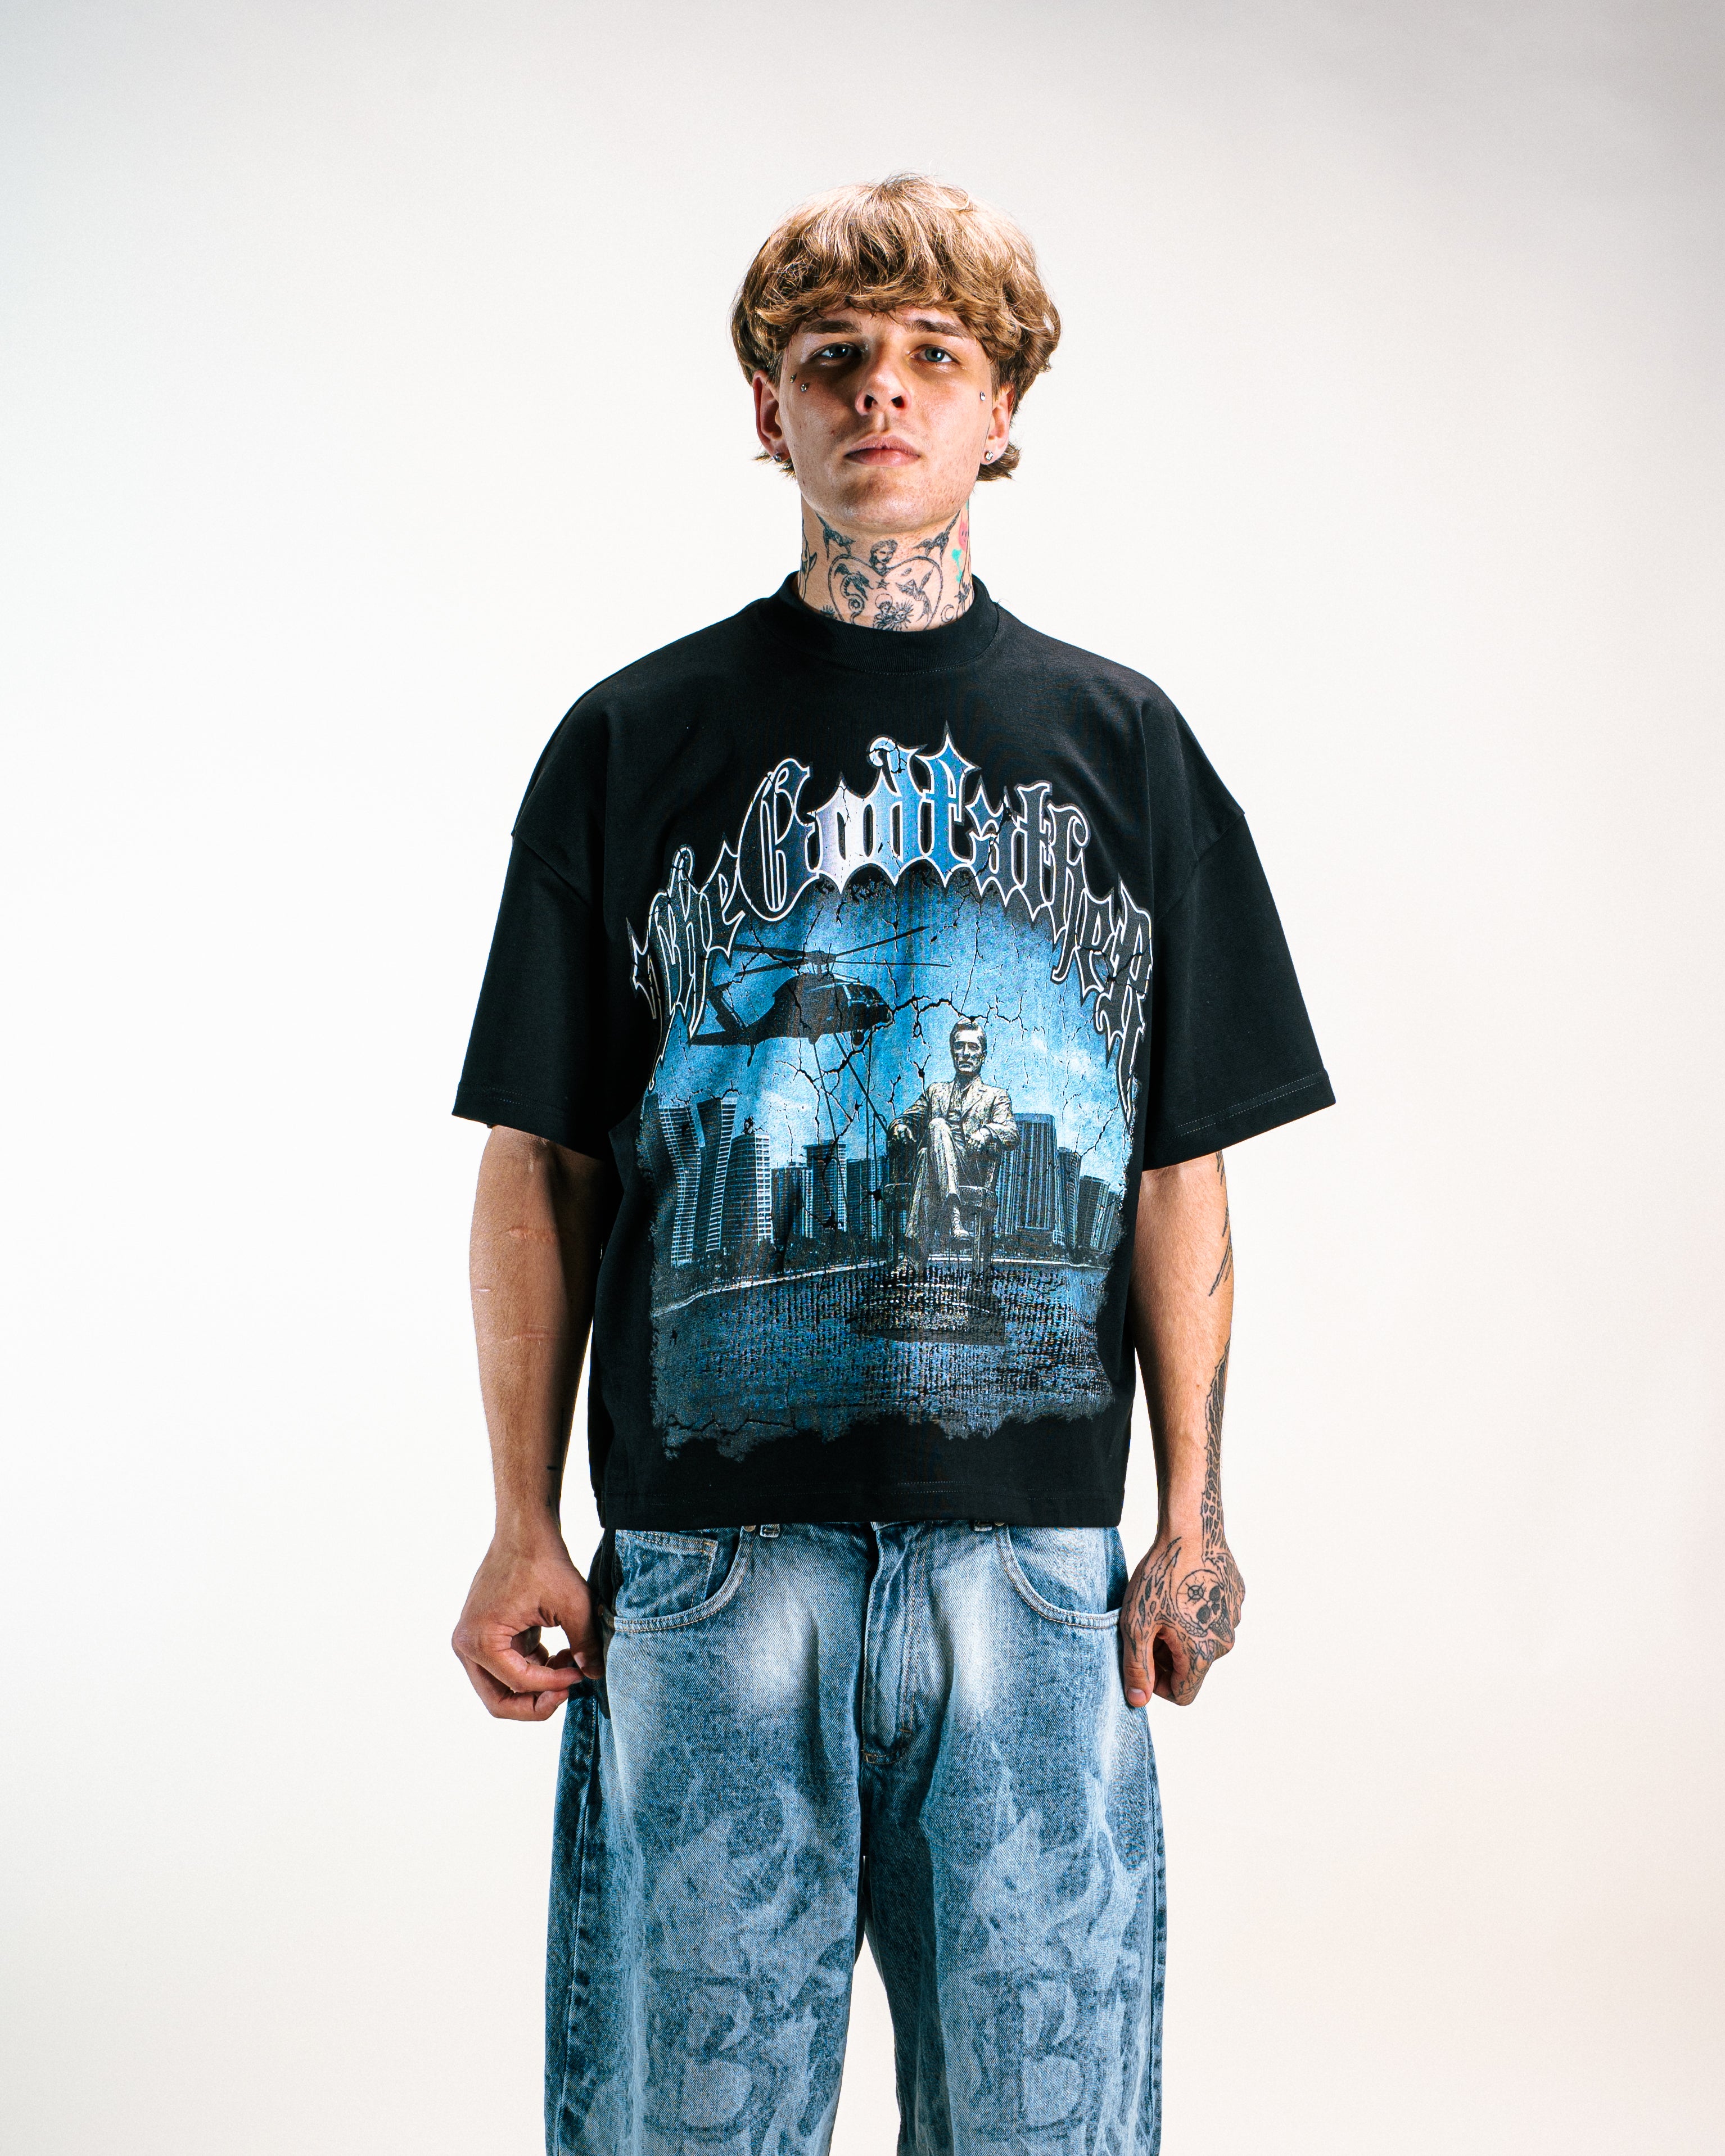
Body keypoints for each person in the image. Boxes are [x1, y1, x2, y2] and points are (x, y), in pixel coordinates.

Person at [450, 174, 1333, 2156]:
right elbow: (539, 1162)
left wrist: (1189, 1517)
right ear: (763, 407)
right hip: (701, 1566)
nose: (880, 391)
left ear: (1000, 409)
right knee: (685, 2127)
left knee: (1041, 2129)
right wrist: (519, 1518)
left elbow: (1175, 1170)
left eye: (934, 355)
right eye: (829, 357)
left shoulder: (1123, 743)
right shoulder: (628, 737)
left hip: (1032, 1566)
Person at [889, 1019, 1017, 1251]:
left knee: (936, 1128)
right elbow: (904, 1119)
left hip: (970, 1170)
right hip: (934, 1168)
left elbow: (1011, 1132)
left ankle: (913, 1256)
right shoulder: (935, 1092)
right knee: (929, 1149)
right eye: (960, 1046)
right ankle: (954, 1219)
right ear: (952, 1052)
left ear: (983, 1055)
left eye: (973, 1047)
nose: (966, 1054)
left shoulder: (996, 1096)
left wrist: (987, 1132)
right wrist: (900, 1127)